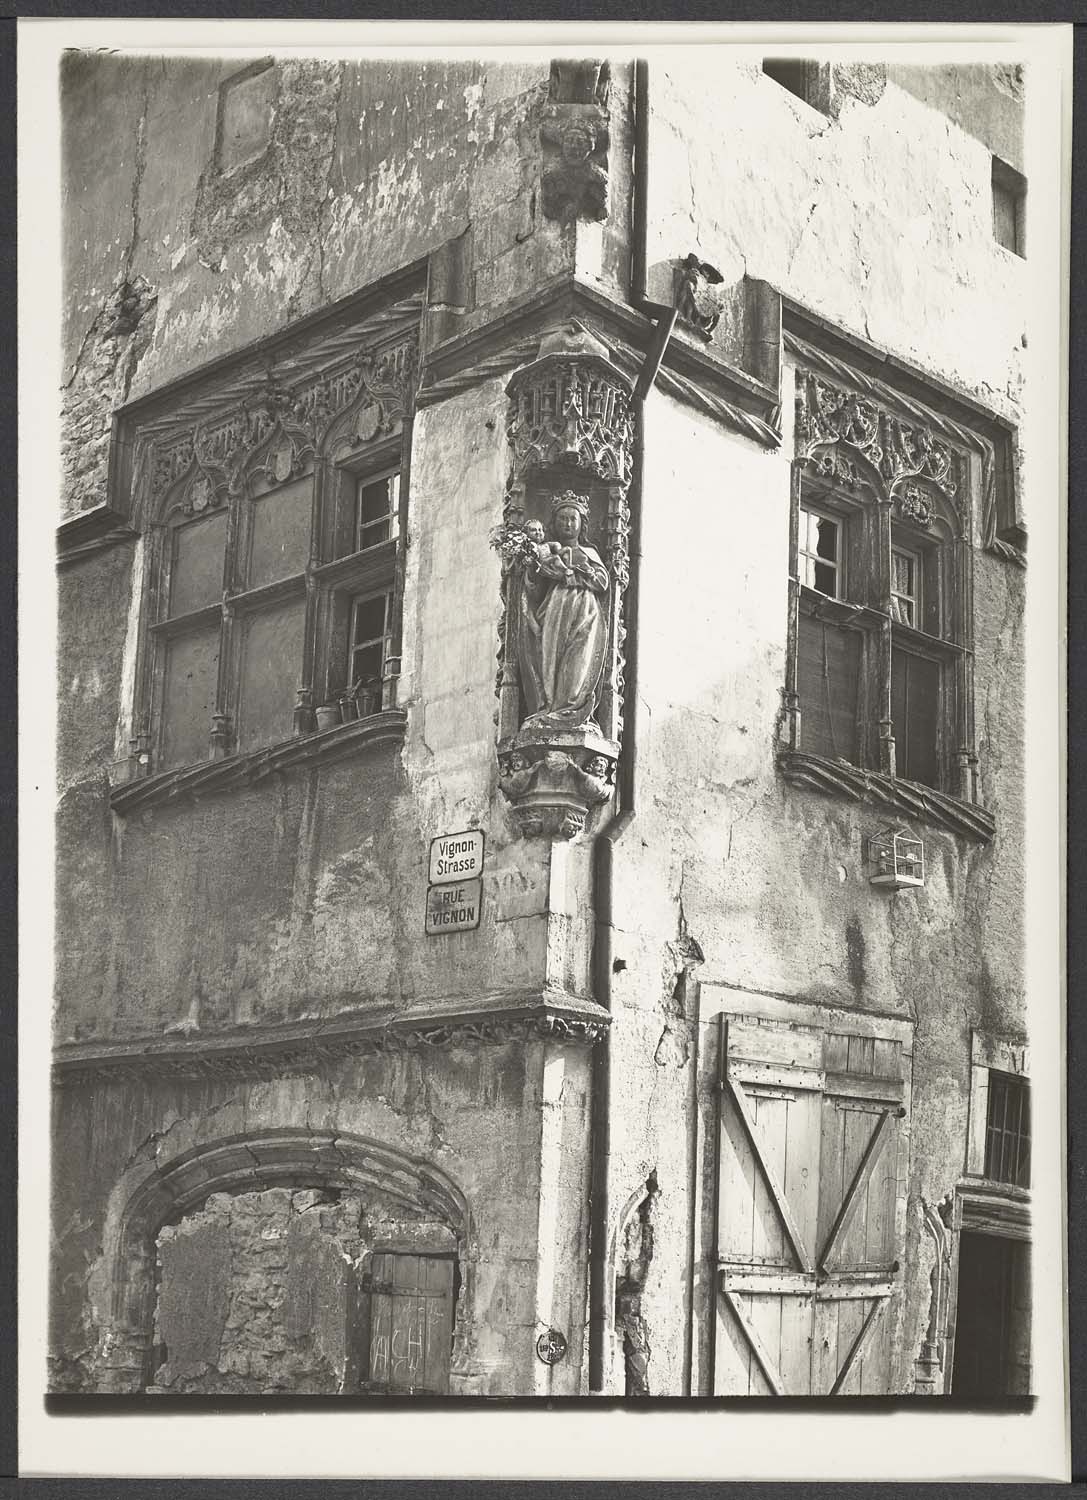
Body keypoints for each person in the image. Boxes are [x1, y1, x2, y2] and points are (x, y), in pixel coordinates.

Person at [515, 493, 610, 731]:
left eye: (572, 519)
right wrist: (533, 571)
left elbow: (602, 582)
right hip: (554, 614)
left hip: (586, 614)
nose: (567, 524)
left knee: (579, 661)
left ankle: (570, 709)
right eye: (562, 519)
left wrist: (575, 574)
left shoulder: (590, 553)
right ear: (554, 525)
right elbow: (534, 592)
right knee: (550, 661)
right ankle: (548, 708)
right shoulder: (545, 553)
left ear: (582, 524)